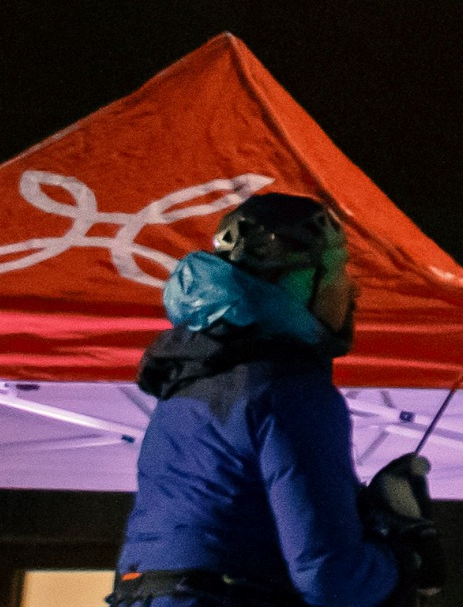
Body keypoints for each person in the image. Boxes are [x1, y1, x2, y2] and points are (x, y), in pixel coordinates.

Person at [113, 193, 438, 607]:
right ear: (302, 281)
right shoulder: (290, 390)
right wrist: (401, 559)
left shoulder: (189, 381)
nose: (351, 295)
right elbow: (328, 574)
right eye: (341, 275)